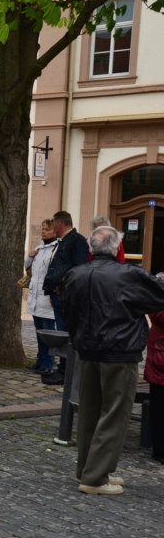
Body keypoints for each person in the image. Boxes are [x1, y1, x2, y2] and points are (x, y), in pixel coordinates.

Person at [61, 226, 164, 494]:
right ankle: (95, 478)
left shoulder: (76, 274)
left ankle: (88, 469)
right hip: (119, 352)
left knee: (90, 412)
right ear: (118, 247)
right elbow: (158, 297)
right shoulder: (129, 275)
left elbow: (68, 312)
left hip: (89, 351)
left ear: (91, 248)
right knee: (115, 413)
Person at [42, 210, 90, 385]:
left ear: (60, 223)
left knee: (66, 333)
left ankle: (65, 372)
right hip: (59, 294)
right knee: (62, 332)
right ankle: (63, 369)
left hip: (66, 296)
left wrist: (63, 286)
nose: (51, 226)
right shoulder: (64, 241)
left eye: (53, 223)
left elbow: (79, 268)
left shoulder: (76, 241)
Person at [25, 219, 59, 373]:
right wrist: (30, 256)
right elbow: (29, 267)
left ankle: (48, 363)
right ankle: (40, 361)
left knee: (48, 333)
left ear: (55, 231)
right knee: (39, 332)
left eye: (47, 229)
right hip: (36, 296)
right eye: (43, 229)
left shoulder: (56, 248)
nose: (44, 231)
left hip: (47, 297)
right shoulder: (39, 247)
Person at [145, 300, 164, 464]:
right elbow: (156, 314)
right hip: (161, 354)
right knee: (159, 405)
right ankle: (160, 450)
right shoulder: (160, 286)